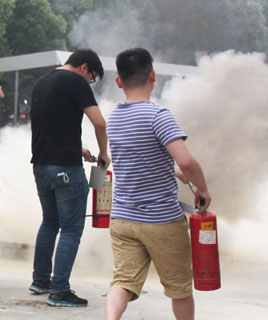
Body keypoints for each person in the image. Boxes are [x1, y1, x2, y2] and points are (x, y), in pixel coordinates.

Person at [105, 48, 211, 320]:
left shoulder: (114, 118)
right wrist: (203, 189)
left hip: (122, 218)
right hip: (161, 220)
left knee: (123, 283)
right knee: (180, 289)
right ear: (153, 76)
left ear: (119, 81)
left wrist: (169, 169)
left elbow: (137, 156)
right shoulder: (158, 116)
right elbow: (188, 163)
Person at [28, 48, 109, 307]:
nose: (90, 82)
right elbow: (99, 123)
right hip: (66, 169)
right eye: (92, 77)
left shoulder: (42, 81)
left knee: (50, 223)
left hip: (41, 165)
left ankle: (40, 280)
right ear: (85, 67)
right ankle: (60, 291)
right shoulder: (75, 81)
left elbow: (52, 125)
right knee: (72, 229)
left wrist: (78, 149)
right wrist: (103, 153)